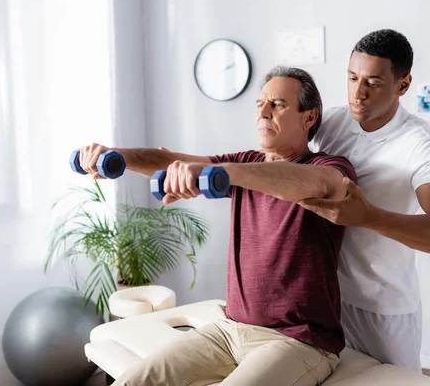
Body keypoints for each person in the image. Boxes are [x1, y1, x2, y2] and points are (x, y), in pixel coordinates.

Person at [78, 66, 357, 386]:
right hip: (228, 329)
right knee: (133, 382)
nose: (263, 113)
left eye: (277, 104)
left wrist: (230, 172)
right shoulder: (245, 164)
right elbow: (170, 163)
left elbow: (320, 184)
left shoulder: (328, 167)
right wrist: (116, 155)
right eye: (259, 104)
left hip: (299, 341)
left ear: (309, 117)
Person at [300, 29, 430, 373]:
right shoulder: (331, 122)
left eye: (373, 83)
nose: (357, 93)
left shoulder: (421, 145)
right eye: (352, 78)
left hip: (384, 309)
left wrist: (368, 216)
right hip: (326, 296)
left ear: (403, 86)